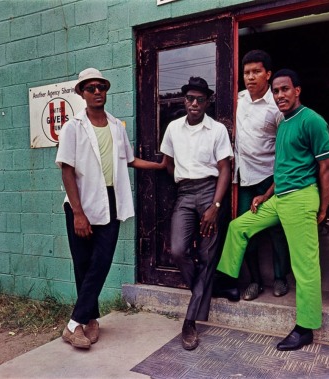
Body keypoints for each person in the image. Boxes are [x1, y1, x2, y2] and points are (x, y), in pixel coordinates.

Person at [216, 69, 329, 351]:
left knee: (305, 265)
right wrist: (265, 194)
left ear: (297, 90)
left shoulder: (312, 121)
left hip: (301, 198)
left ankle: (305, 328)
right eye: (276, 91)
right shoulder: (283, 123)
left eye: (285, 89)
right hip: (280, 196)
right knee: (238, 227)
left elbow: (328, 167)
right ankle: (226, 281)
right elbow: (282, 169)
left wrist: (323, 208)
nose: (280, 95)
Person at [56, 68, 166, 349]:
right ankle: (89, 321)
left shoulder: (116, 126)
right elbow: (66, 170)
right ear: (82, 93)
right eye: (90, 88)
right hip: (81, 203)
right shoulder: (73, 127)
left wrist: (159, 166)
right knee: (83, 266)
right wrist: (78, 213)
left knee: (101, 262)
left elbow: (129, 160)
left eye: (101, 87)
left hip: (111, 201)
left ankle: (72, 325)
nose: (97, 92)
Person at [160, 77, 233, 350]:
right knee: (178, 250)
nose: (194, 103)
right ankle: (206, 290)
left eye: (200, 99)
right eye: (190, 98)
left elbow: (225, 168)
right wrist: (182, 179)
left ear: (207, 102)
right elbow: (167, 163)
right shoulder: (173, 128)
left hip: (210, 192)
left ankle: (189, 322)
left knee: (206, 255)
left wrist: (214, 206)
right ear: (184, 100)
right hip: (185, 193)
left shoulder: (216, 130)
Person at [233, 49, 290, 301]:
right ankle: (254, 281)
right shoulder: (237, 100)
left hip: (269, 177)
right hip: (244, 179)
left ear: (268, 74)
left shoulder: (277, 107)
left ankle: (280, 278)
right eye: (246, 72)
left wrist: (277, 183)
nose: (251, 77)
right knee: (247, 231)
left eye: (256, 71)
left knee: (278, 230)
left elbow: (284, 145)